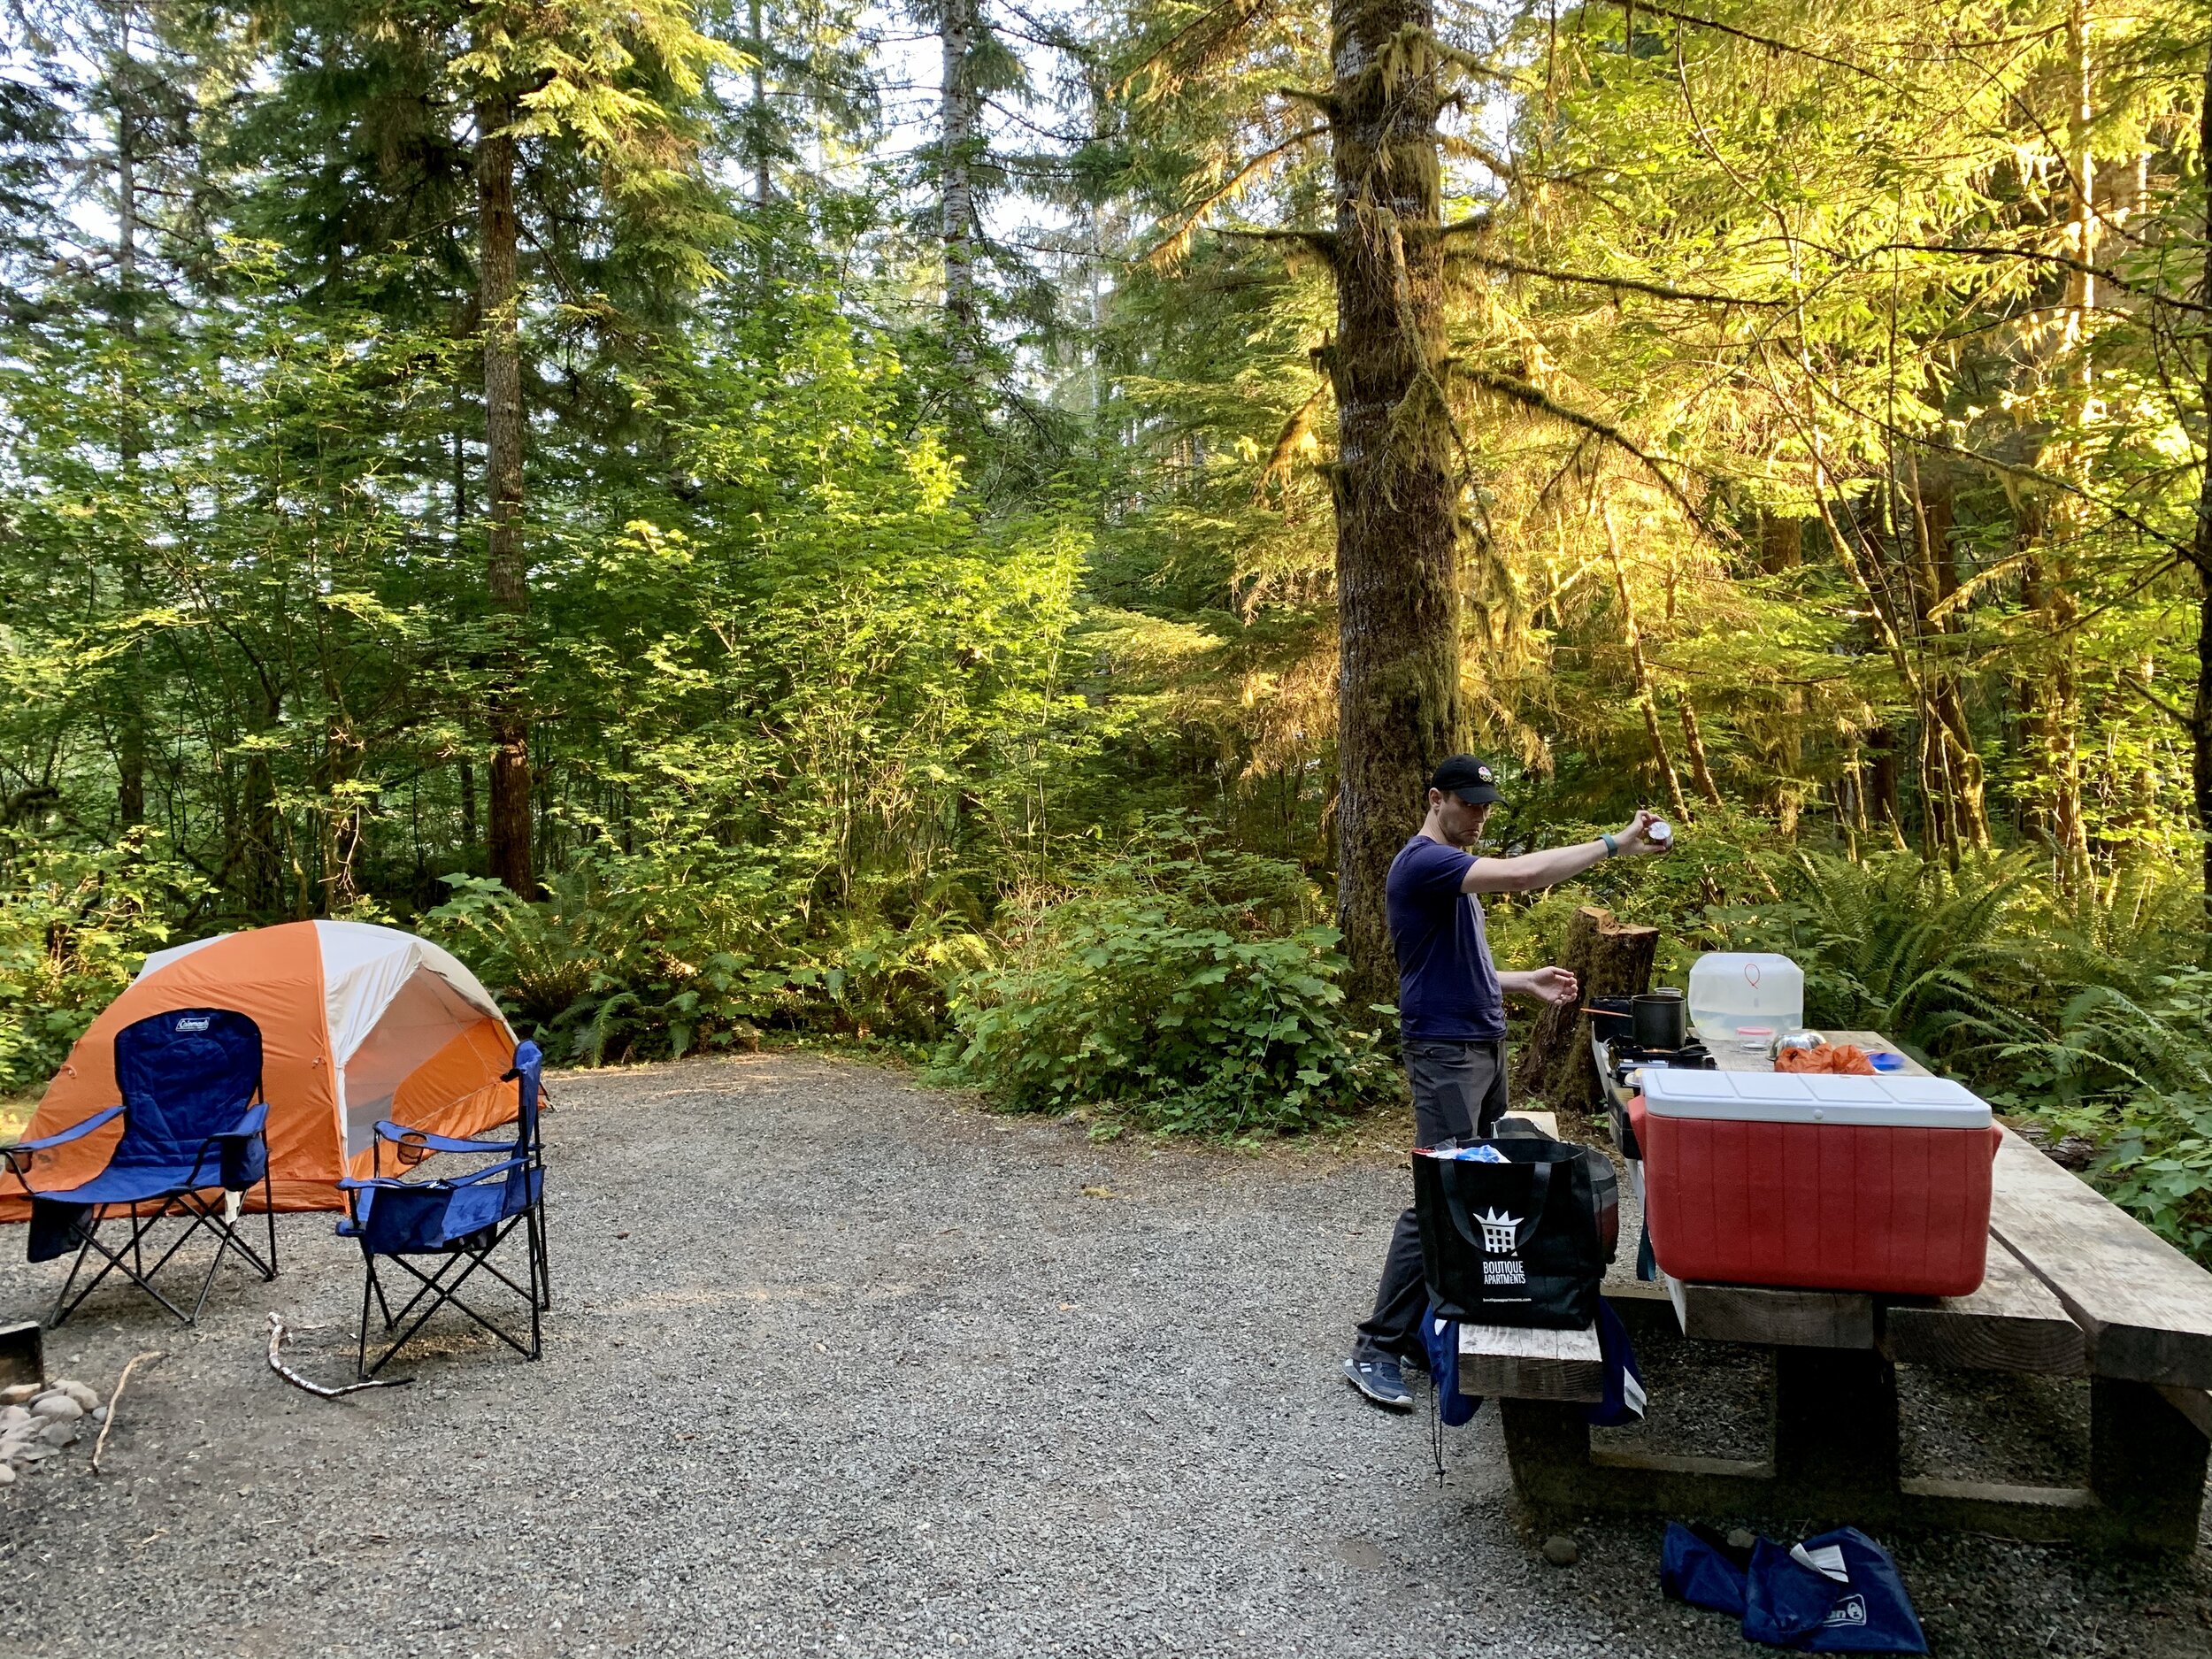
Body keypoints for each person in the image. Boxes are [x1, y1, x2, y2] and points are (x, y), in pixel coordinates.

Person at [1343, 755, 1670, 1410]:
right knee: (1441, 1191)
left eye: (1488, 803)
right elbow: (1522, 874)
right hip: (1445, 1050)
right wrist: (1614, 843)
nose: (1482, 814)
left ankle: (1420, 1329)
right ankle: (1375, 1346)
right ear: (1436, 800)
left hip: (1482, 1042)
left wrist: (1521, 982)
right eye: (1471, 803)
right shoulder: (1424, 861)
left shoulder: (1450, 878)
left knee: (1476, 1184)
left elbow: (1453, 966)